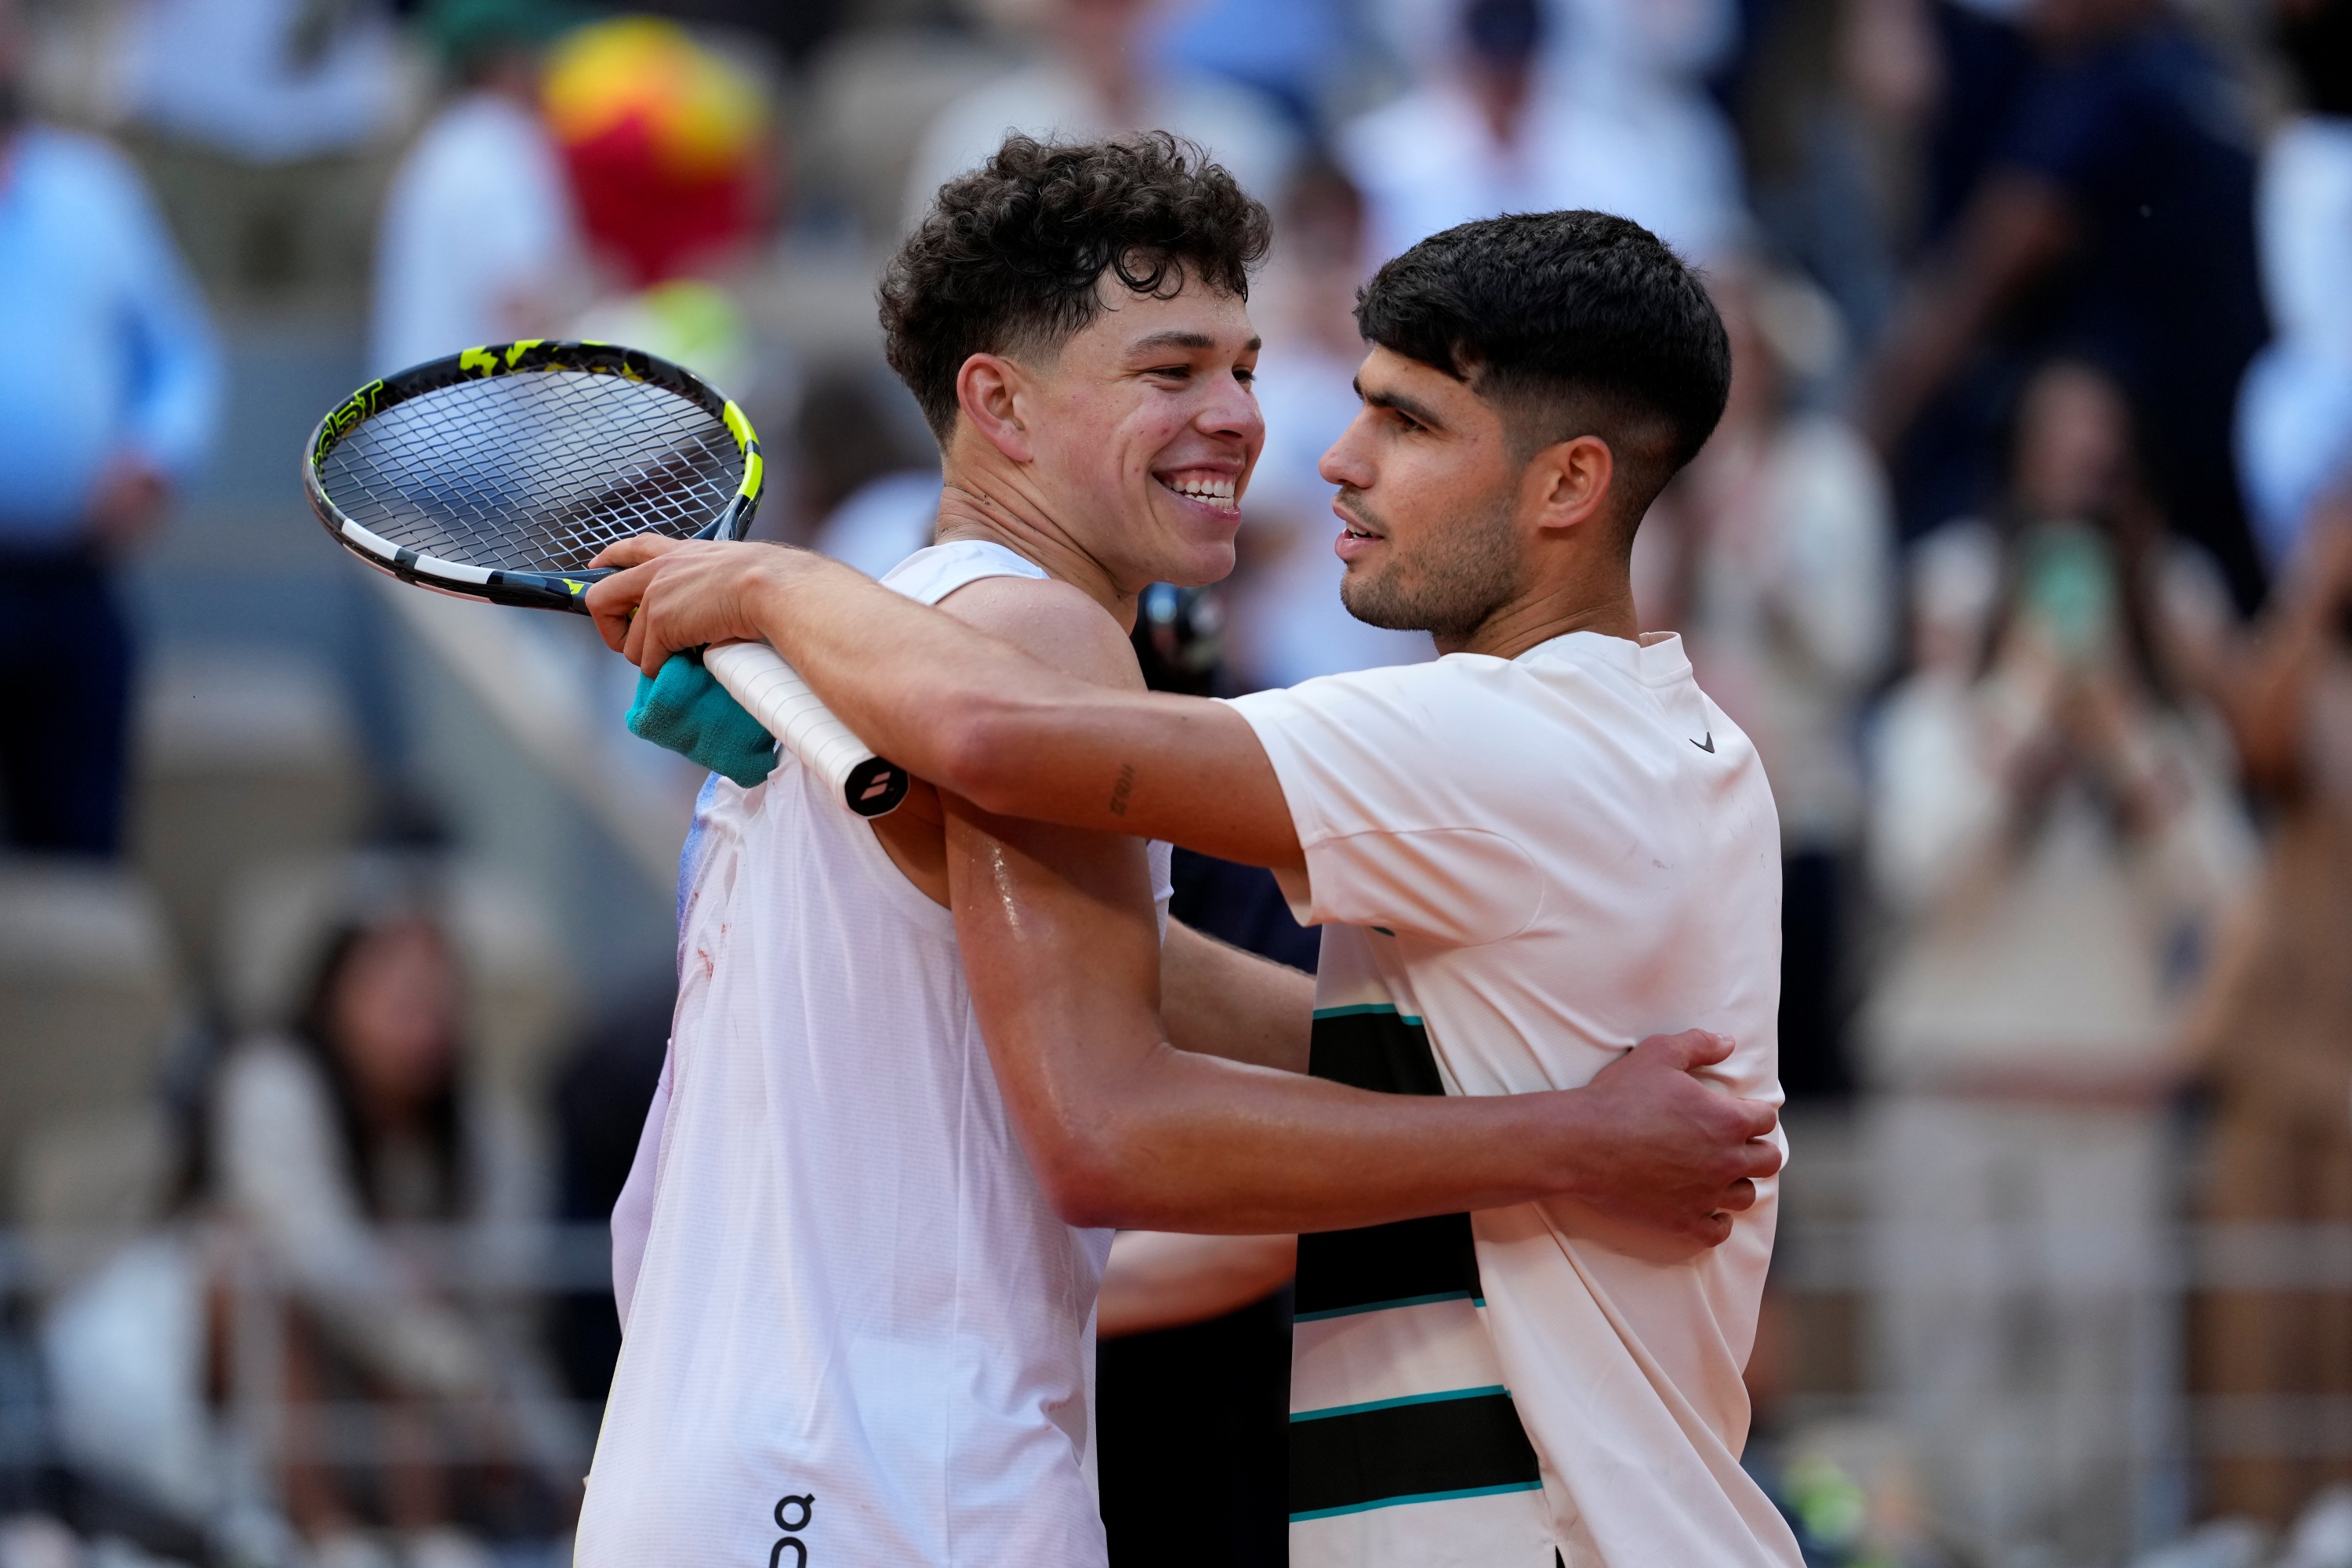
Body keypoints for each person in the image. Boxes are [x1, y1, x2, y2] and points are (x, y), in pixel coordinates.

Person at [591, 199, 1802, 1566]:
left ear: (1569, 486)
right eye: (1176, 373)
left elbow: (1005, 743)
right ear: (999, 402)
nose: (1301, 446)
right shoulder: (1648, 738)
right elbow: (1133, 1032)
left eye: (1403, 424)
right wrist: (1566, 1132)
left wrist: (773, 588)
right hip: (859, 1482)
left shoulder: (1509, 739)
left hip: (780, 1476)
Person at [1859, 360, 2252, 1563]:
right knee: (1950, 1400)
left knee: (2104, 1424)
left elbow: (2232, 895)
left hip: (2106, 1100)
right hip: (1956, 1098)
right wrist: (2031, 704)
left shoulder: (2165, 738)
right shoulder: (1933, 724)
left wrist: (2120, 736)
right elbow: (1922, 867)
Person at [1857, 0, 2270, 607]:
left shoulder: (2109, 85)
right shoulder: (2210, 74)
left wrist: (1866, 436)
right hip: (2223, 472)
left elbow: (1984, 275)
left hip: (2124, 478)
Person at [212, 909, 572, 1568]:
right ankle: (326, 1537)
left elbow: (505, 1318)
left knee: (408, 1286)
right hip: (227, 1379)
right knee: (254, 1260)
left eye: (438, 999)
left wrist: (559, 1460)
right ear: (333, 996)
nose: (423, 1021)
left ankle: (429, 1537)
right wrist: (465, 1378)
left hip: (407, 1412)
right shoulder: (271, 1082)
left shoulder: (481, 1135)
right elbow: (319, 1261)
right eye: (397, 996)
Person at [1638, 264, 1895, 1098]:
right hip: (1674, 810)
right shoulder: (1656, 476)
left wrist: (1767, 563)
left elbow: (1855, 646)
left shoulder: (1826, 473)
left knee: (1802, 1048)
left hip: (1797, 800)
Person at [0, 0, 220, 855]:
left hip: (72, 581)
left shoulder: (94, 189)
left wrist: (154, 457)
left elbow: (180, 356)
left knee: (81, 846)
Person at [1338, 0, 1747, 267]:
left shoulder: (1620, 162)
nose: (1503, 78)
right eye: (1491, 58)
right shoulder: (1376, 159)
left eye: (1516, 59)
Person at [902, 0, 1298, 223]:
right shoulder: (979, 129)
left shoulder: (1237, 126)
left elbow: (1273, 273)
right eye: (1088, 7)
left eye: (1122, 6)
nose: (1107, 24)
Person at [370, 0, 584, 376]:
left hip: (425, 424)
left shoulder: (449, 144)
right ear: (507, 63)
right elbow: (527, 312)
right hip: (475, 430)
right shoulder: (501, 148)